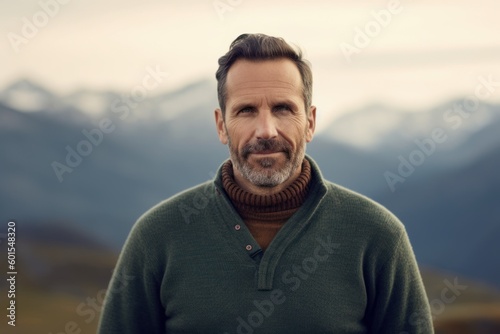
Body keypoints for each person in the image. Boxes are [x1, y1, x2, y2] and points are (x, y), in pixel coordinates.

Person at [98, 33, 434, 333]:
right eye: (245, 110)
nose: (266, 131)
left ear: (310, 122)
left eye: (283, 109)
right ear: (221, 125)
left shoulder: (377, 236)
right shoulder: (157, 236)